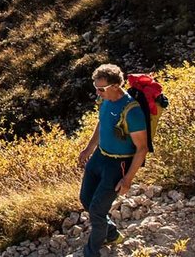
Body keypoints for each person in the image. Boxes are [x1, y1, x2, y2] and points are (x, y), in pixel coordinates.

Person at [77, 64, 148, 256]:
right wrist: (88, 149)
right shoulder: (106, 101)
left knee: (97, 211)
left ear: (116, 86)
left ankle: (91, 252)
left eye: (102, 89)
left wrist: (127, 180)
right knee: (86, 198)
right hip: (100, 157)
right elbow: (102, 123)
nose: (98, 93)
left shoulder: (132, 111)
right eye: (96, 88)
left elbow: (142, 148)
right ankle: (111, 233)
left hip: (118, 164)